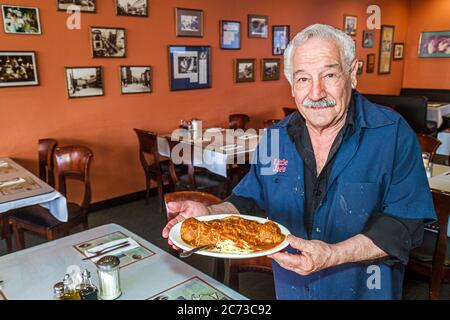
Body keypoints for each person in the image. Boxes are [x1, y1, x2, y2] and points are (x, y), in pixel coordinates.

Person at [162, 24, 436, 300]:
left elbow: (405, 223)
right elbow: (249, 200)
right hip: (292, 290)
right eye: (303, 79)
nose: (316, 93)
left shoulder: (392, 134)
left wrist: (333, 255)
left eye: (329, 74)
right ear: (292, 85)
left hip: (364, 292)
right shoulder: (275, 138)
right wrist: (211, 215)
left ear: (352, 74)